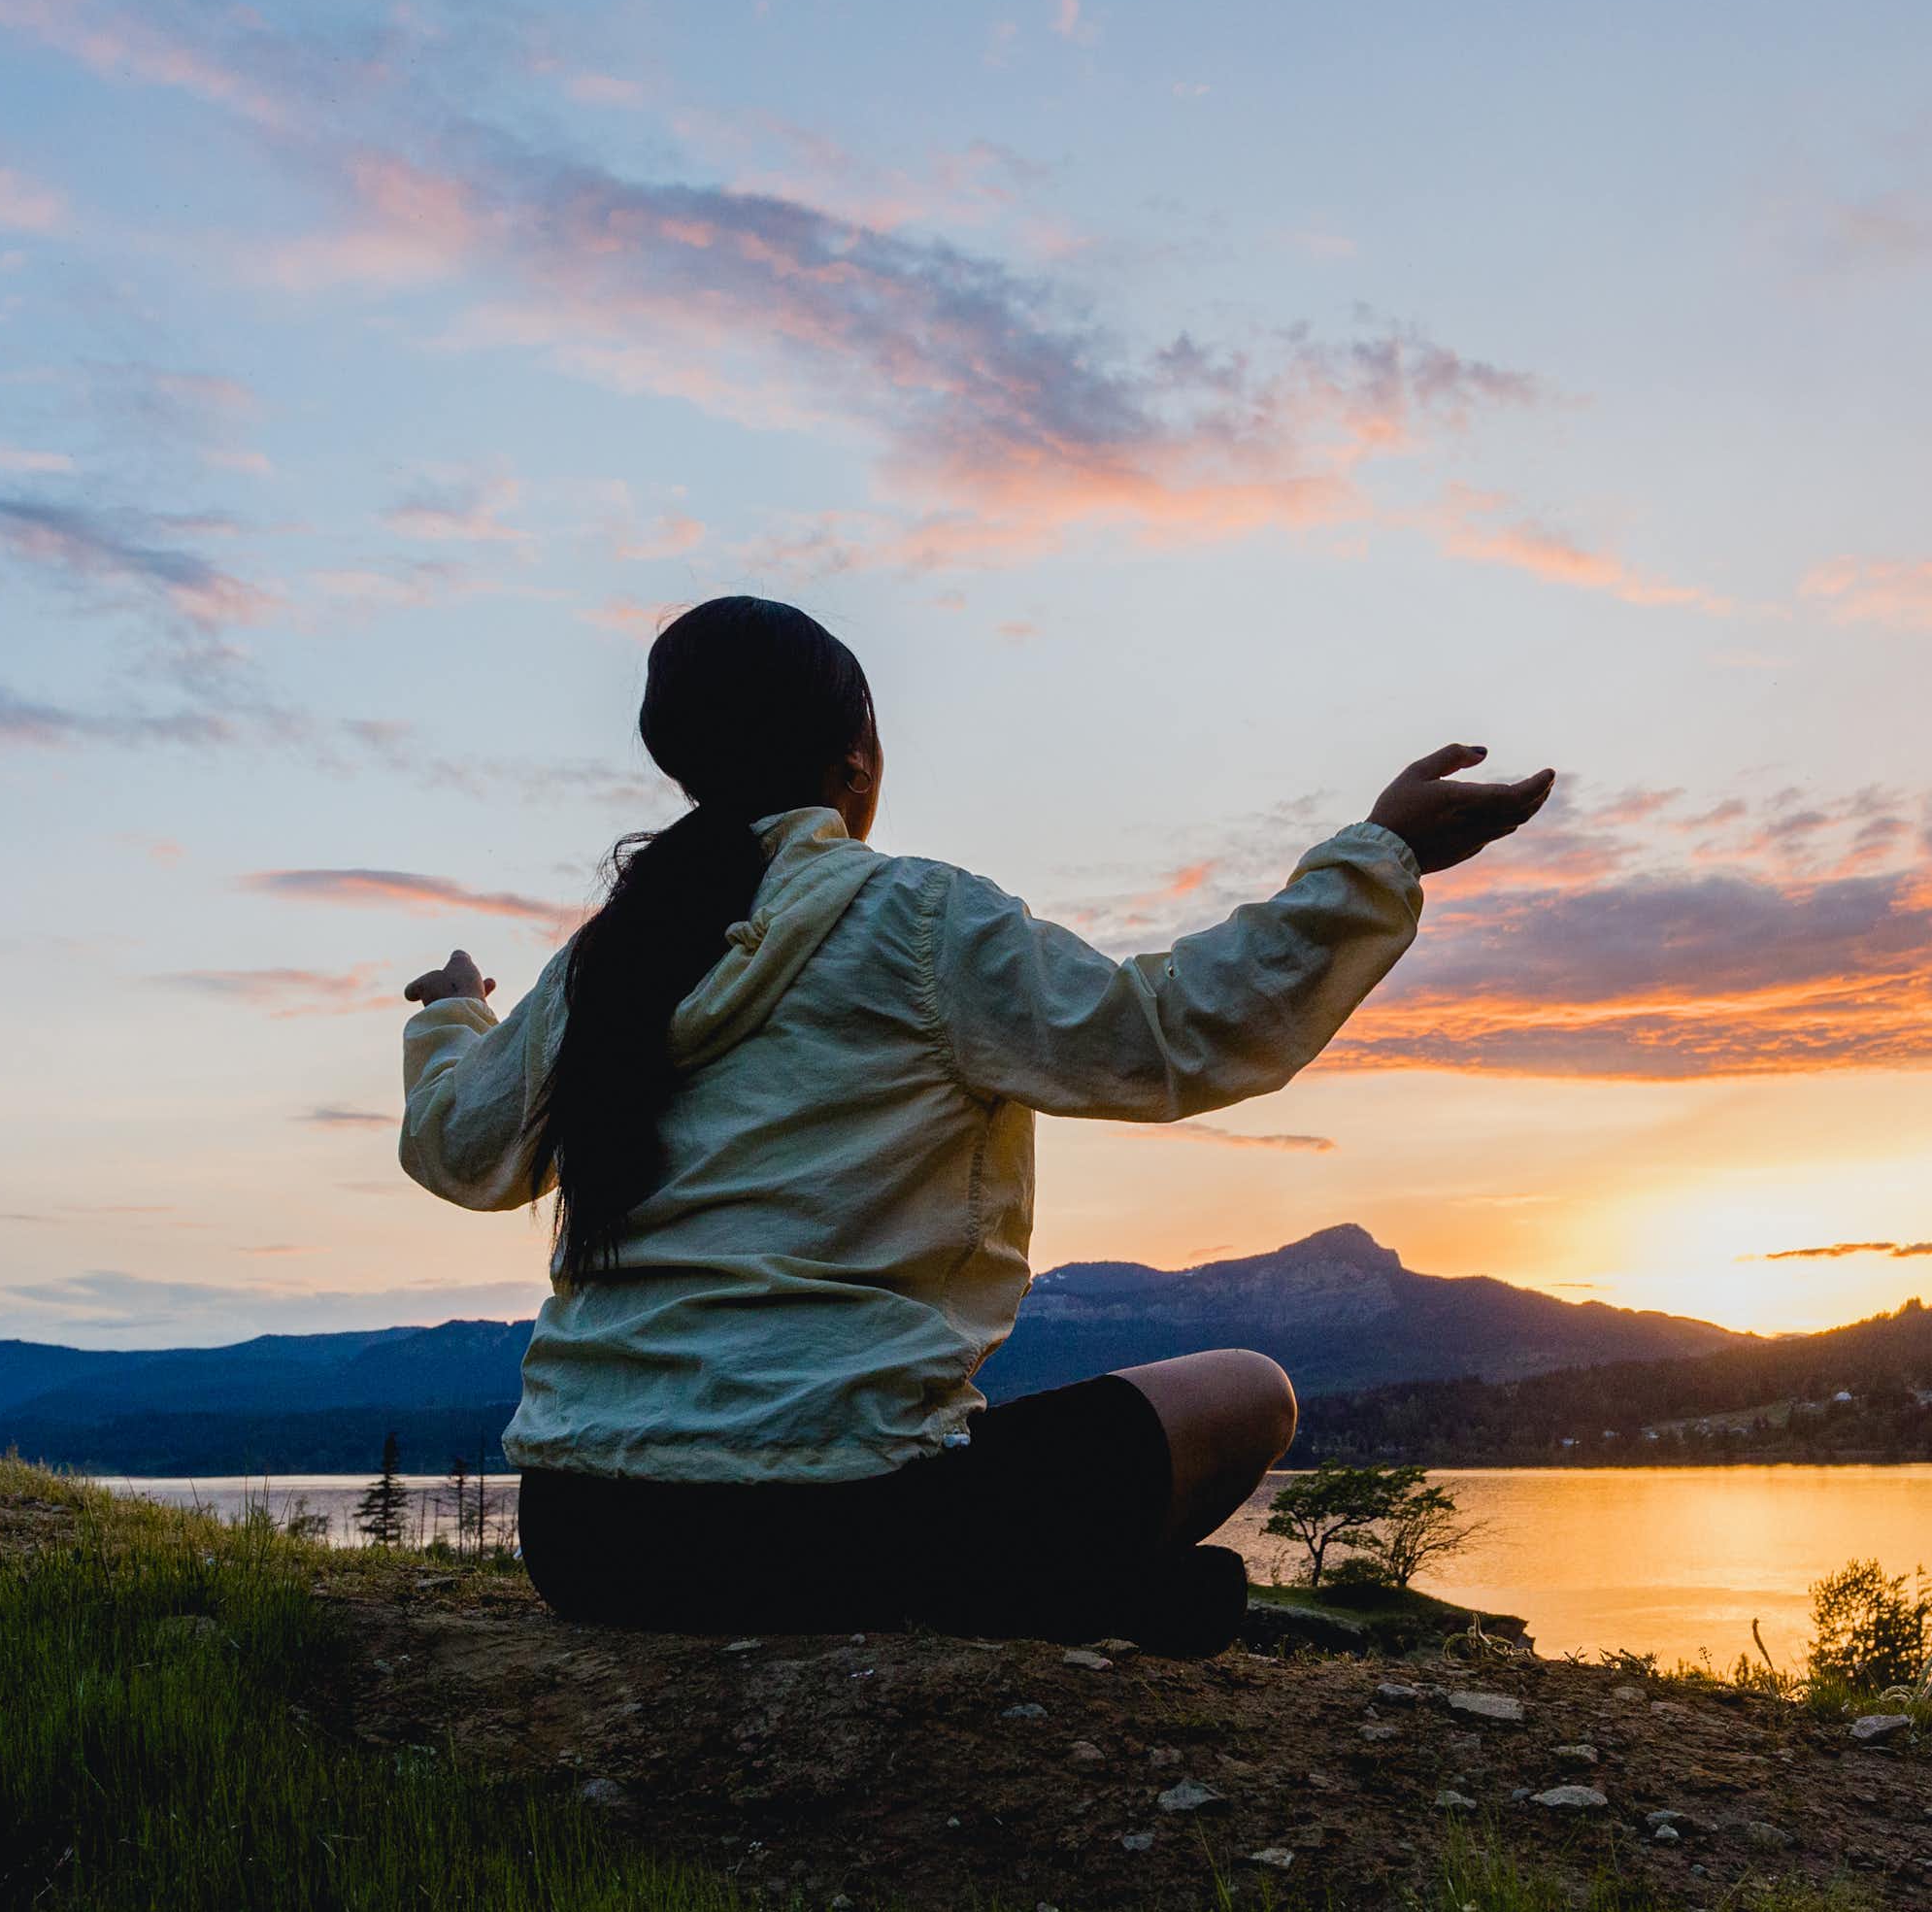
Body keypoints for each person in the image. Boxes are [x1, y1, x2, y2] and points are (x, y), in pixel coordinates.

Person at [399, 596, 1551, 1652]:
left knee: (964, 1504)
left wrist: (456, 1013)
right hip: (835, 1527)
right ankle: (1039, 1593)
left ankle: (1046, 1593)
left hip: (586, 1537)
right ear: (854, 761)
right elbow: (1173, 1030)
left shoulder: (613, 957)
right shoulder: (910, 918)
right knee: (1254, 1391)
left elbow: (464, 1144)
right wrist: (1383, 853)